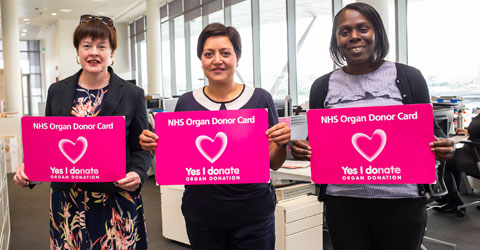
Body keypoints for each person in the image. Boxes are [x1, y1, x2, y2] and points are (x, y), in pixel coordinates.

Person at [290, 3, 455, 250]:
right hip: (343, 203)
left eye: (363, 29)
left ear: (376, 32)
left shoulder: (409, 77)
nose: (354, 36)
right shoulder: (322, 86)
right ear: (336, 40)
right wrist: (302, 149)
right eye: (345, 31)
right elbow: (317, 142)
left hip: (401, 202)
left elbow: (434, 135)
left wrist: (445, 148)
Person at [139, 23, 290, 250]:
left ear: (237, 58)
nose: (217, 60)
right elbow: (179, 160)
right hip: (203, 215)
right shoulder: (187, 103)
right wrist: (154, 146)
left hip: (254, 216)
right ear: (201, 60)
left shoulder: (260, 99)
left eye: (225, 53)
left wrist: (280, 144)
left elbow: (274, 163)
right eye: (209, 54)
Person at [14, 15, 151, 250]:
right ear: (77, 51)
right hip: (69, 202)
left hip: (115, 199)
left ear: (112, 52)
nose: (94, 53)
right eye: (86, 46)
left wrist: (139, 172)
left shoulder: (132, 94)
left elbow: (142, 146)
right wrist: (30, 168)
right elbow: (48, 143)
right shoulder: (57, 91)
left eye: (101, 46)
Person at [435, 113, 480, 213]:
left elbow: (476, 128)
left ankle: (454, 201)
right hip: (474, 155)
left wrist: (470, 131)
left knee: (446, 161)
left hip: (476, 158)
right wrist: (468, 131)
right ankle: (450, 197)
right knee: (454, 157)